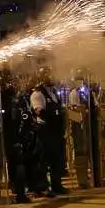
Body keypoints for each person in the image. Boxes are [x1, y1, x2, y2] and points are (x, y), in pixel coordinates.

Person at [30, 66, 68, 195]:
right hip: (45, 131)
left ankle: (57, 185)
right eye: (47, 75)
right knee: (43, 161)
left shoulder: (54, 92)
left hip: (55, 131)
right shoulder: (37, 94)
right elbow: (39, 111)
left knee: (56, 160)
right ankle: (43, 188)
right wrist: (54, 117)